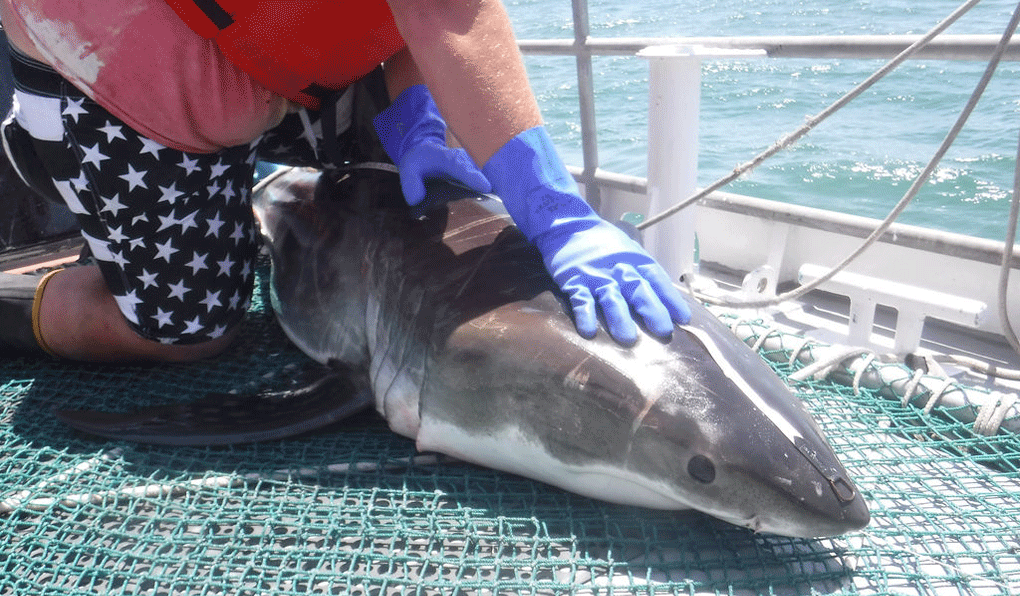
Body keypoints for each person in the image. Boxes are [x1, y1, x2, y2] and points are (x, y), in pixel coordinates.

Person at [0, 0, 691, 363]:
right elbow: (447, 12)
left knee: (419, 167)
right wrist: (558, 214)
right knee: (189, 332)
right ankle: (28, 300)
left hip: (262, 74)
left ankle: (206, 212)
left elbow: (395, 20)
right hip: (118, 82)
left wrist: (416, 124)